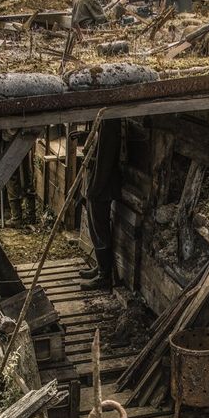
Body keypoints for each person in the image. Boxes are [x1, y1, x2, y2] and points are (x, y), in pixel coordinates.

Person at [79, 119, 122, 291]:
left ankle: (104, 276)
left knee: (100, 230)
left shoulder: (110, 123)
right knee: (96, 230)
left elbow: (105, 161)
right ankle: (101, 267)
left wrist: (94, 189)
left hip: (102, 188)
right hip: (96, 185)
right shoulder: (102, 120)